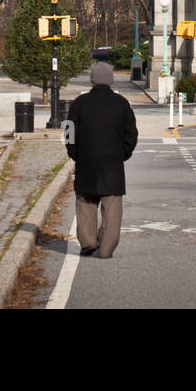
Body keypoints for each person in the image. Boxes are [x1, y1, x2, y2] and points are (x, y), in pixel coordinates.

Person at [65, 49, 138, 259]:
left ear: (92, 80)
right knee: (112, 208)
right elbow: (131, 134)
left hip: (86, 161)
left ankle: (88, 241)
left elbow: (69, 132)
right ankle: (106, 248)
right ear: (111, 80)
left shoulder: (79, 103)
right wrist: (122, 154)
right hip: (113, 164)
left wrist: (75, 154)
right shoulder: (122, 103)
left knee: (85, 203)